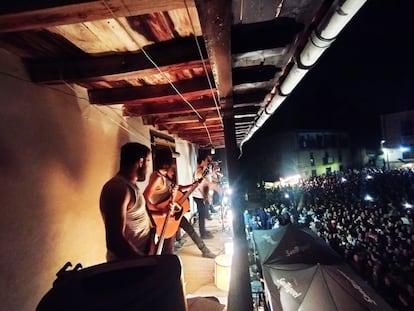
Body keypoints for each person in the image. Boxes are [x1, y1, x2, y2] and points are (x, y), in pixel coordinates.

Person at [99, 142, 155, 262]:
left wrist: (151, 240)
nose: (149, 169)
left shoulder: (132, 186)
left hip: (141, 257)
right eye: (149, 161)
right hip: (129, 264)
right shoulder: (117, 188)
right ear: (140, 162)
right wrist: (142, 262)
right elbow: (115, 241)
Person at [167, 165, 217, 259]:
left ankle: (205, 251)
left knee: (191, 230)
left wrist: (192, 186)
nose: (173, 172)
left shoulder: (169, 181)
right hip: (167, 217)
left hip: (176, 214)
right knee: (169, 243)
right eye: (171, 170)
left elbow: (180, 188)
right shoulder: (160, 180)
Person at [192, 152, 214, 239]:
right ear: (202, 161)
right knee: (201, 214)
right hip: (198, 196)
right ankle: (203, 233)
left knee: (203, 213)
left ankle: (203, 231)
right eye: (206, 160)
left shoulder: (202, 170)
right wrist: (205, 197)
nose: (207, 162)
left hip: (200, 196)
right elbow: (202, 186)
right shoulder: (199, 171)